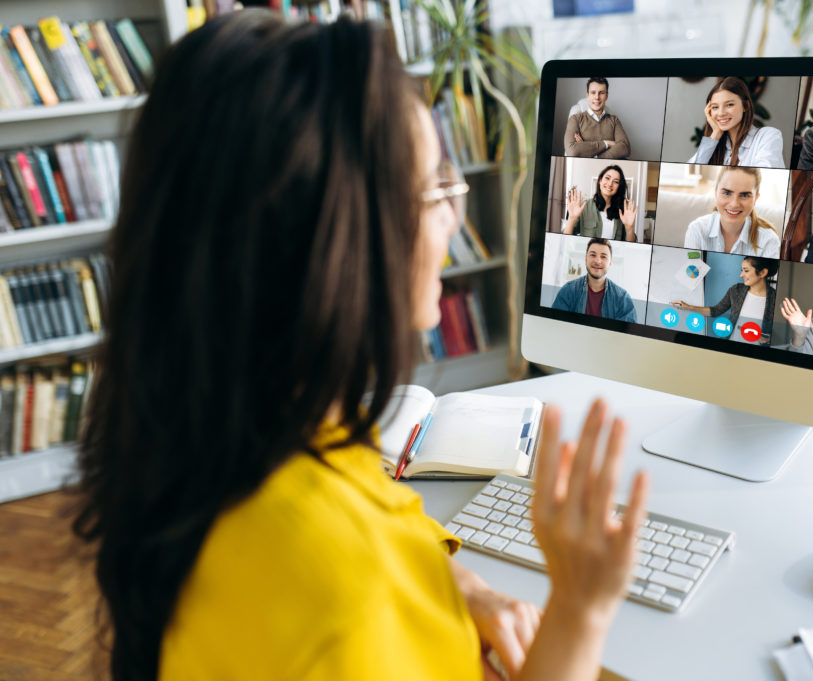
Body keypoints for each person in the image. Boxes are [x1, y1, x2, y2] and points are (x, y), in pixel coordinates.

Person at [71, 12, 649, 681]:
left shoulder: (223, 429)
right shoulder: (346, 593)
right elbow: (350, 578)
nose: (456, 213)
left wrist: (464, 587)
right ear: (330, 242)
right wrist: (582, 605)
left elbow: (383, 520)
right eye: (434, 187)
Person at [672, 256, 777, 344]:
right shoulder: (736, 290)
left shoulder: (775, 298)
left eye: (746, 271)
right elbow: (716, 310)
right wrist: (688, 307)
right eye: (742, 271)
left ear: (762, 273)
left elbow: (779, 333)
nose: (741, 275)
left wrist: (768, 339)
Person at [687, 77, 785, 168]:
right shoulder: (719, 145)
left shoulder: (768, 136)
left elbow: (764, 177)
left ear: (745, 106)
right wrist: (715, 135)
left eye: (729, 105)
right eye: (715, 107)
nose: (721, 113)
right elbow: (691, 172)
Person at [683, 166, 780, 257]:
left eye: (744, 195)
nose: (734, 204)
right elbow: (691, 272)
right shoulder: (696, 230)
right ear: (716, 193)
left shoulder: (769, 240)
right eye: (727, 193)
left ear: (755, 199)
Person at [552, 238, 638, 322]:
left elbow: (626, 334)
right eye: (593, 255)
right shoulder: (568, 291)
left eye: (603, 257)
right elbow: (556, 325)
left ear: (610, 263)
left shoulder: (622, 298)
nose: (597, 261)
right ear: (586, 259)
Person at [562, 164, 639, 241]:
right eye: (607, 178)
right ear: (600, 180)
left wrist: (629, 228)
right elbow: (566, 240)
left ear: (619, 187)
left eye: (616, 182)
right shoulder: (584, 206)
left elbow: (630, 244)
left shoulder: (623, 211)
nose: (610, 184)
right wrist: (572, 219)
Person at [563, 77, 631, 159]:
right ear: (587, 96)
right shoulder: (575, 119)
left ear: (606, 96)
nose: (597, 97)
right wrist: (607, 144)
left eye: (601, 93)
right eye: (593, 93)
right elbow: (572, 151)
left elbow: (625, 148)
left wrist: (589, 152)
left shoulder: (614, 120)